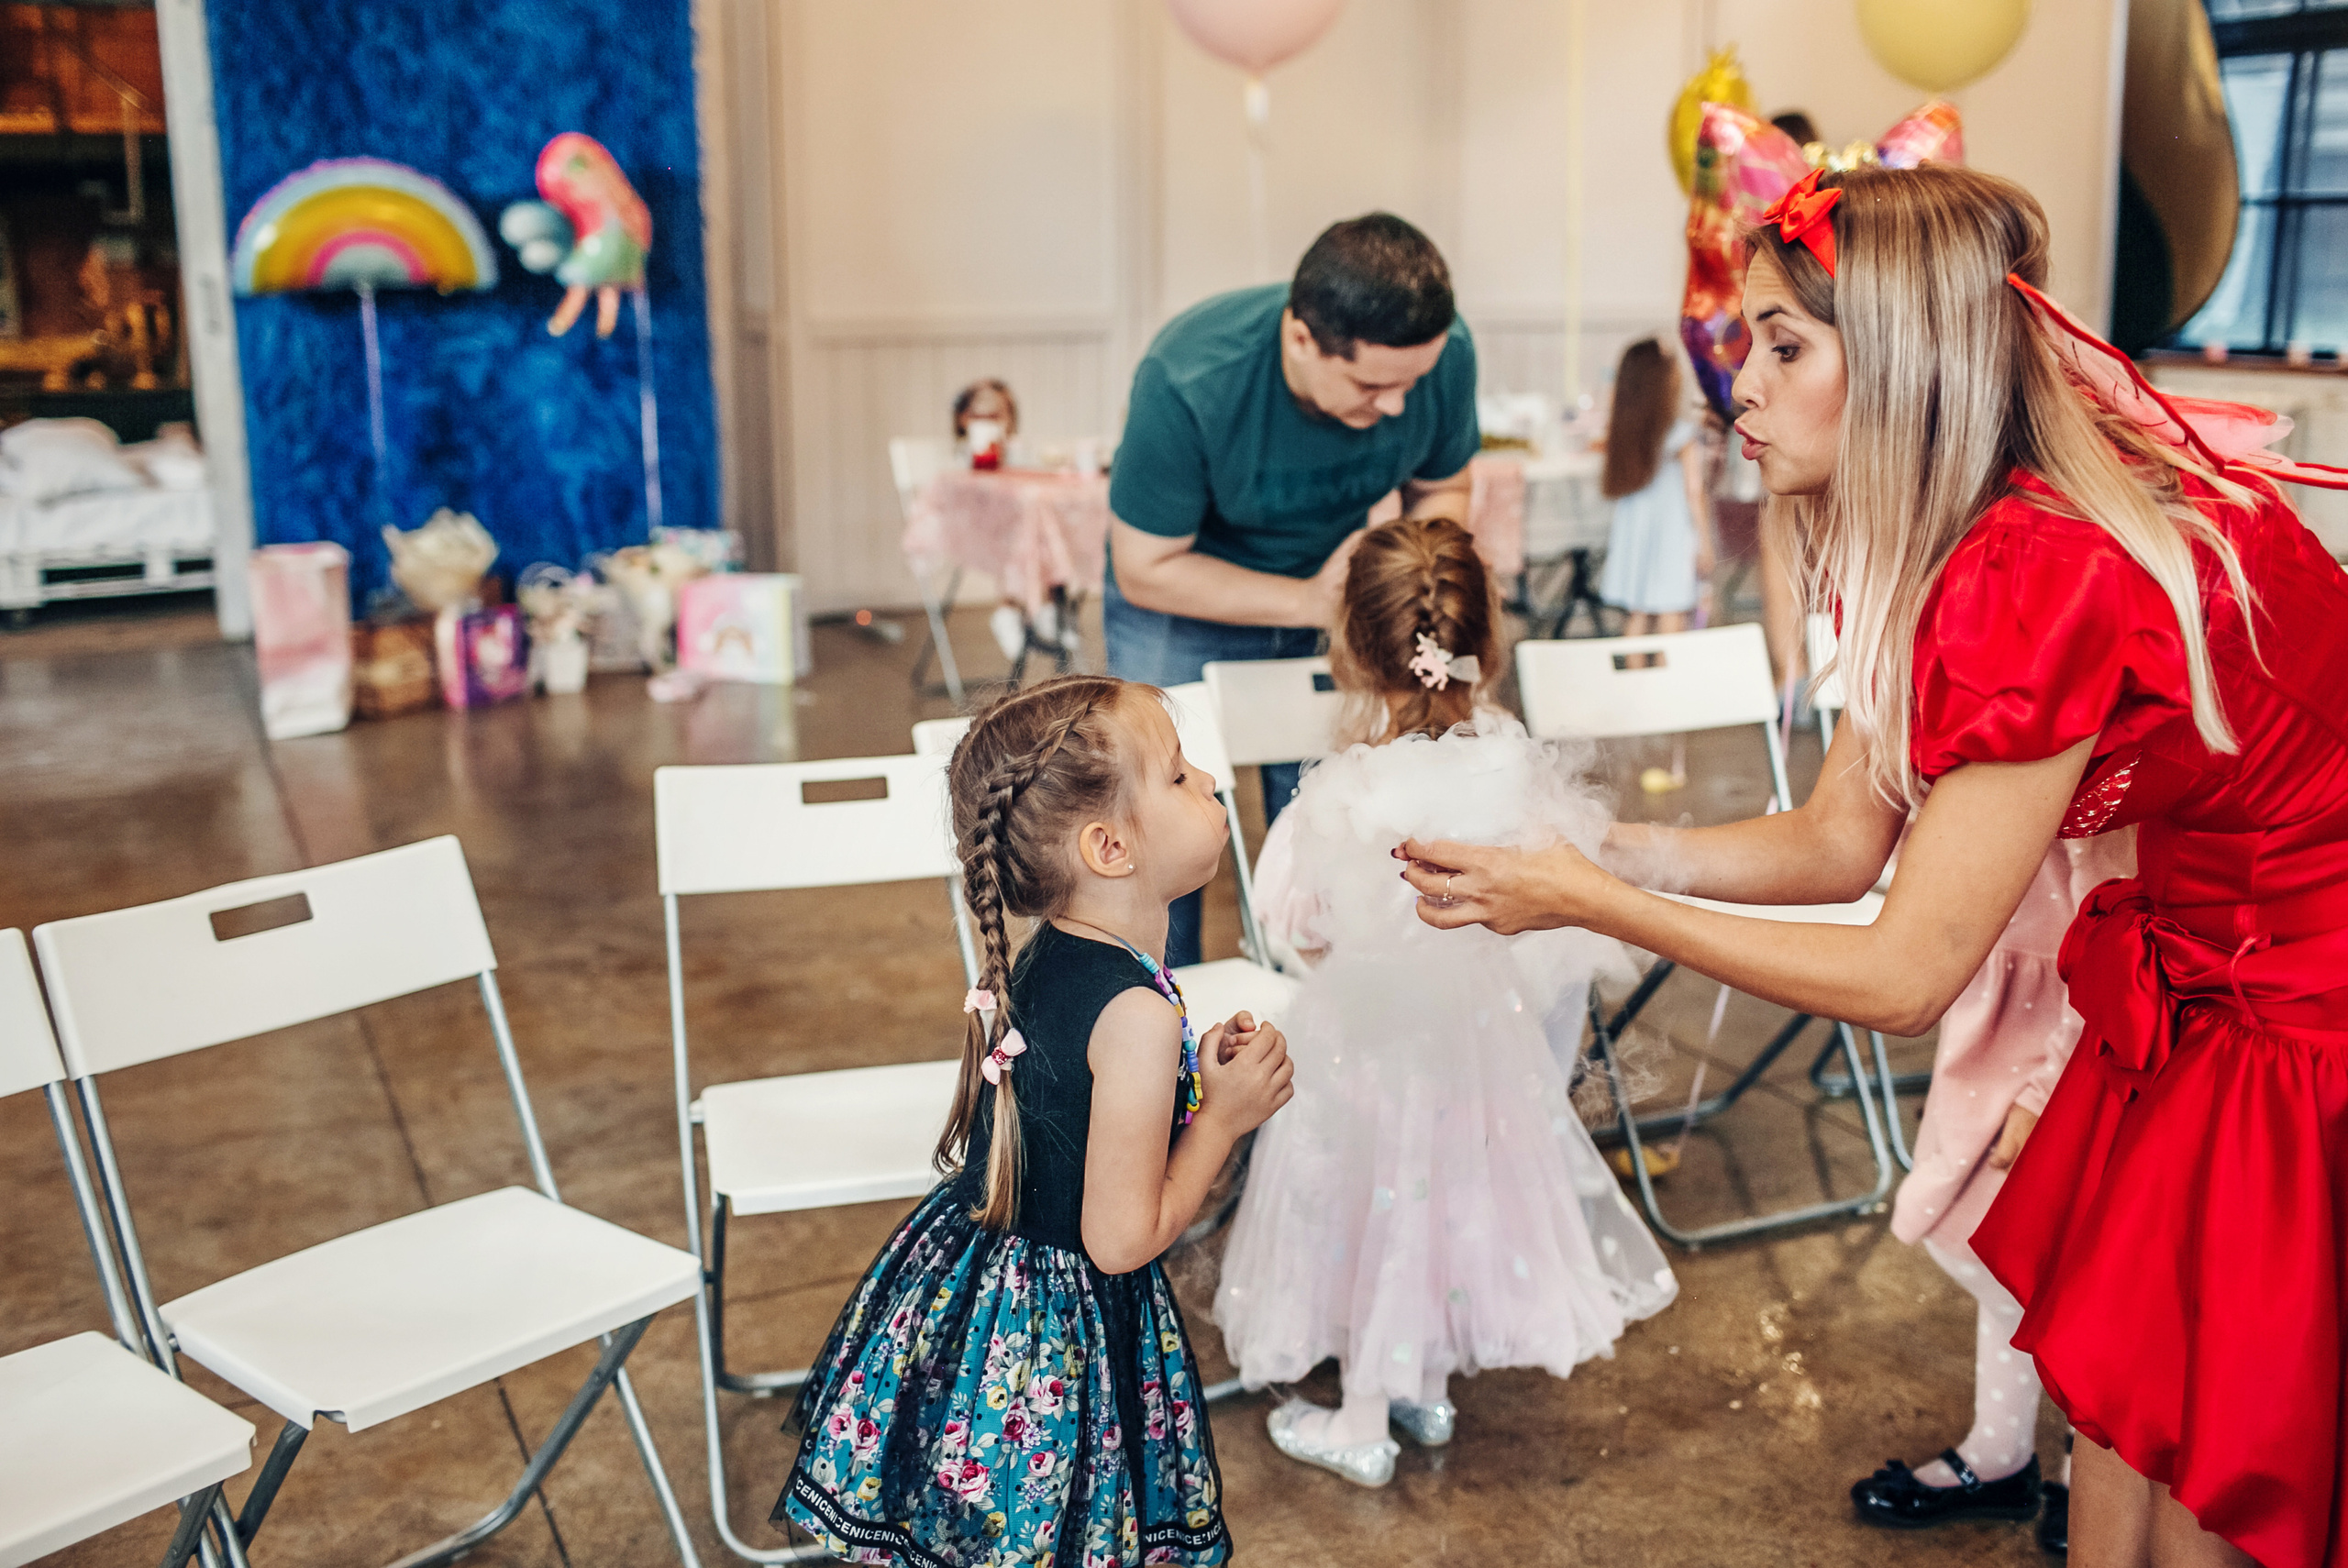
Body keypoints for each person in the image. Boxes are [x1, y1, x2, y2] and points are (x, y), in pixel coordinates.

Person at [1396, 162, 2348, 1568]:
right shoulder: (1964, 538)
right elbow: (1841, 840)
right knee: (2126, 1415)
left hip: (2304, 1000)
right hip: (2208, 959)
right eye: (1746, 341)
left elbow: (1907, 974)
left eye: (1785, 344)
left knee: (2211, 1449)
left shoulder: (2047, 563)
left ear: (1903, 360)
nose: (1741, 385)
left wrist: (1594, 901)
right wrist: (1597, 842)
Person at [774, 674, 1297, 1567]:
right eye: (1176, 775)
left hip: (981, 1279)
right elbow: (1121, 1239)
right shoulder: (1131, 1013)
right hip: (1050, 1331)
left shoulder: (1061, 955)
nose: (1209, 780)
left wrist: (1192, 1082)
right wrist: (1222, 1121)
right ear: (1109, 846)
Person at [1213, 517, 1677, 1487]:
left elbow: (1291, 924)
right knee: (1435, 1201)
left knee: (1374, 1202)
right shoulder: (1512, 763)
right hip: (1481, 1047)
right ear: (1488, 641)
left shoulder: (1341, 790)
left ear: (1350, 648)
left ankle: (1364, 1422)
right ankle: (1418, 1377)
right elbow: (1563, 926)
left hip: (1366, 1045)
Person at [1107, 213, 1481, 968]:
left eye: (1413, 383)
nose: (1400, 407)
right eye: (1374, 386)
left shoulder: (1439, 353)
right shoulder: (1191, 377)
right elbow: (1145, 565)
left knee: (1331, 835)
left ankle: (1326, 1040)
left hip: (1334, 602)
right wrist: (1308, 601)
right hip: (1189, 601)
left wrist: (1401, 584)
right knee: (1160, 839)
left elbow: (1445, 488)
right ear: (1301, 337)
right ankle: (1159, 1029)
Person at [1850, 833, 2133, 1554]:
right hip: (1995, 1000)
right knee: (1990, 1245)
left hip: (2060, 1018)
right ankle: (2002, 1448)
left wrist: (2048, 1087)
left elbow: (2117, 912)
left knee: (2049, 1252)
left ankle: (2087, 1454)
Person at [1597, 337, 1713, 638]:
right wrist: (1704, 541)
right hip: (1673, 537)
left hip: (1637, 538)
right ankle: (1667, 684)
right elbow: (1694, 490)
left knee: (1638, 615)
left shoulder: (1628, 435)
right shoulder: (1682, 434)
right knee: (1671, 618)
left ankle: (1632, 682)